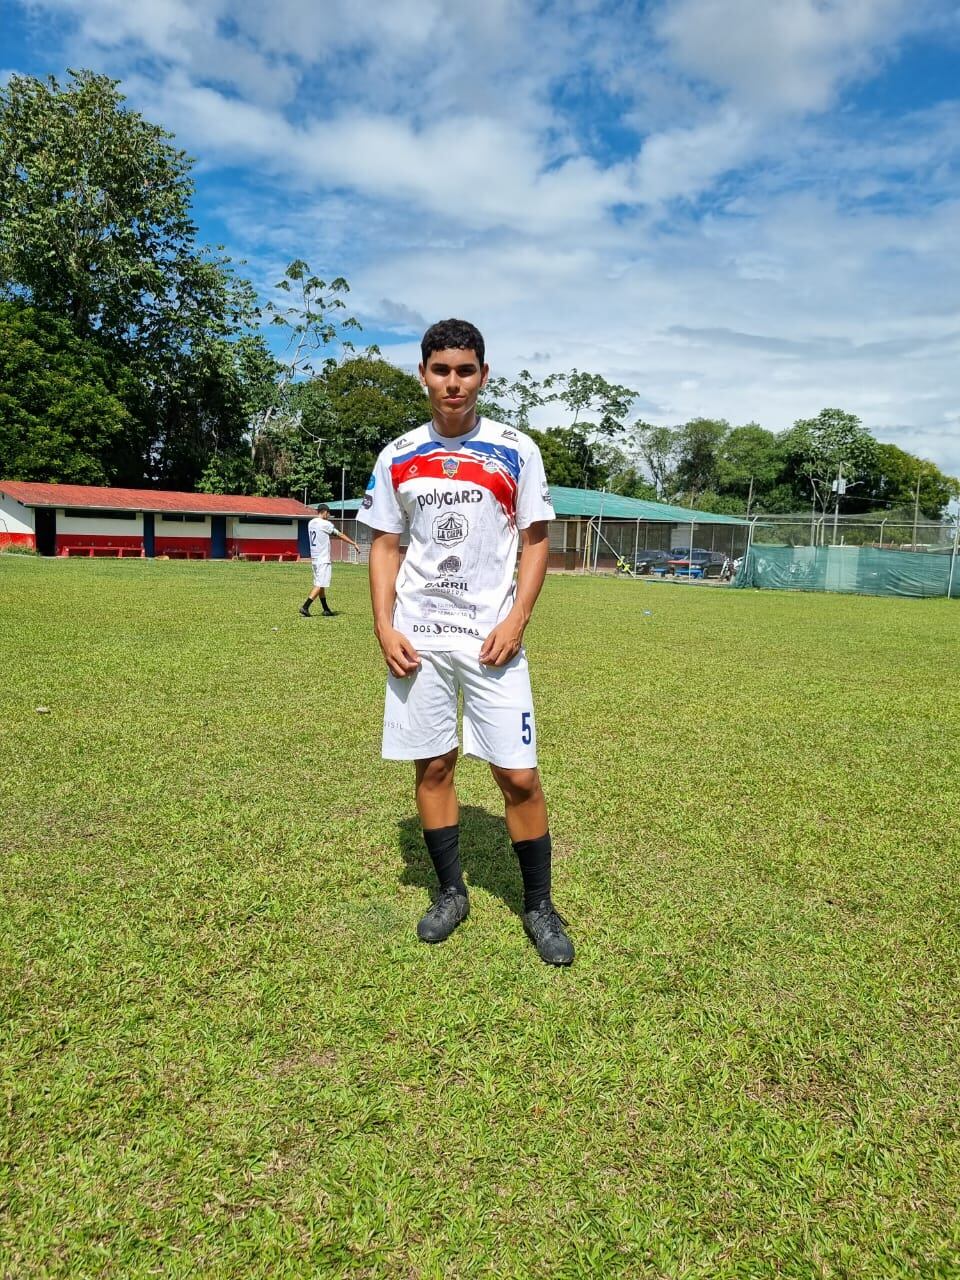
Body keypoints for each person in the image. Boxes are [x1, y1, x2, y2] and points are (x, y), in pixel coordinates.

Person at [357, 318, 573, 965]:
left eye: (466, 370)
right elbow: (385, 545)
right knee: (434, 766)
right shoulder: (398, 454)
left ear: (482, 374)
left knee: (518, 776)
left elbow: (536, 540)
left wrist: (517, 620)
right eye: (442, 370)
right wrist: (383, 624)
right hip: (418, 640)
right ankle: (450, 892)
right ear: (424, 374)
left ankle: (539, 906)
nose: (454, 383)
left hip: (492, 642)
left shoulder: (515, 449)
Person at [299, 504, 360, 617]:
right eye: (329, 513)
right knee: (320, 584)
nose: (329, 515)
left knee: (320, 584)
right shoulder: (325, 524)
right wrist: (353, 543)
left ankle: (326, 609)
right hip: (323, 559)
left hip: (315, 558)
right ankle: (305, 606)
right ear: (325, 512)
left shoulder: (311, 523)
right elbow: (339, 534)